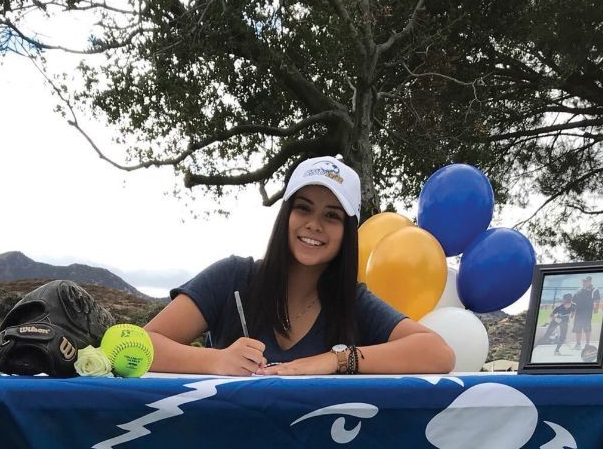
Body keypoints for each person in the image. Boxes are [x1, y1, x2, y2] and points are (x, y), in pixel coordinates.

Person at [144, 156, 455, 376]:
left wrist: (336, 360)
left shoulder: (354, 301)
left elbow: (438, 352)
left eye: (331, 215)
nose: (314, 225)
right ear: (286, 216)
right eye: (303, 208)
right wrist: (215, 360)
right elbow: (139, 343)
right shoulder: (233, 277)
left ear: (348, 232)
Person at [571, 276, 601, 351]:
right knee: (578, 328)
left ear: (590, 281)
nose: (584, 282)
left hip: (587, 312)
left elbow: (597, 300)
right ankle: (578, 344)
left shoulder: (594, 289)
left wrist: (596, 308)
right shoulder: (578, 290)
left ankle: (587, 344)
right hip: (578, 312)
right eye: (583, 281)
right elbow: (574, 301)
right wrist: (572, 312)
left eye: (586, 281)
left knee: (587, 329)